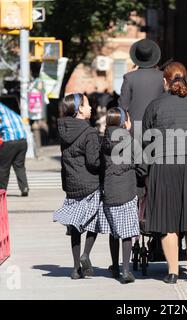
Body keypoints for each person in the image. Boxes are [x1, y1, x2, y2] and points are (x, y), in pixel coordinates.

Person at [142, 62, 187, 284]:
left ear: (165, 81)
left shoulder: (155, 106)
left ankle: (172, 271)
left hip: (164, 165)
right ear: (186, 78)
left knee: (167, 219)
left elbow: (146, 141)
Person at [53, 93, 110, 280]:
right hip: (89, 183)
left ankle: (76, 268)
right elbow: (93, 162)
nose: (91, 108)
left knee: (75, 226)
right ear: (79, 109)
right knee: (94, 219)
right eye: (87, 105)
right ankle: (86, 254)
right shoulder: (89, 132)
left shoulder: (63, 129)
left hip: (71, 184)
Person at [101, 107, 146, 284]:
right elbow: (142, 168)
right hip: (127, 190)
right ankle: (126, 271)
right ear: (123, 123)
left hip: (109, 191)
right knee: (127, 231)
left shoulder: (103, 142)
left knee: (114, 231)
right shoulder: (131, 141)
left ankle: (114, 266)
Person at [118, 38, 164, 133]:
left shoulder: (129, 77)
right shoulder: (162, 77)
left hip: (135, 128)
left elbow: (122, 106)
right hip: (158, 126)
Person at [0, 102, 29, 196]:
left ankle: (2, 189)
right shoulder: (13, 113)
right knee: (19, 166)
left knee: (3, 167)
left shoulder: (2, 112)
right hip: (23, 141)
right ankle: (24, 188)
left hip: (10, 142)